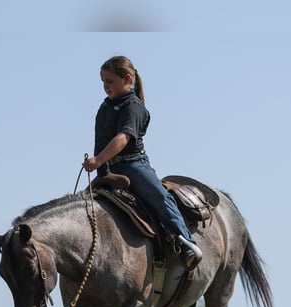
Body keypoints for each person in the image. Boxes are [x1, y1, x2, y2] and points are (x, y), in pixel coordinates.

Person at [82, 55, 203, 270]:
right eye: (103, 82)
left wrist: (99, 158)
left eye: (110, 81)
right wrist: (101, 167)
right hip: (108, 169)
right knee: (83, 204)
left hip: (133, 165)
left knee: (160, 198)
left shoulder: (133, 106)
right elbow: (99, 141)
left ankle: (186, 244)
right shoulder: (105, 108)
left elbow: (123, 138)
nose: (105, 87)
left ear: (127, 79)